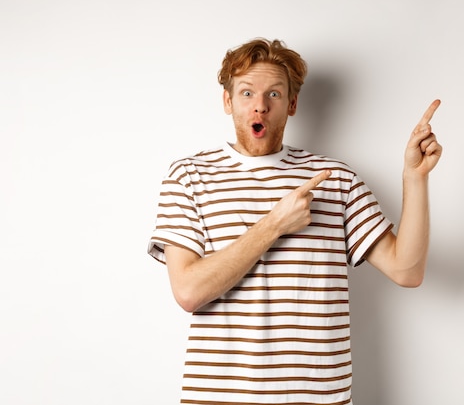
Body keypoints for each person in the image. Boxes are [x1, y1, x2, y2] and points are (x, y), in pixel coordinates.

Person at [148, 38, 442, 405]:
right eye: (246, 93)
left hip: (317, 398)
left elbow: (407, 271)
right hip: (219, 398)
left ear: (292, 104)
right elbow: (189, 292)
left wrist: (414, 178)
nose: (259, 105)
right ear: (227, 101)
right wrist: (274, 225)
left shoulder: (335, 179)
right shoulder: (189, 177)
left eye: (273, 94)